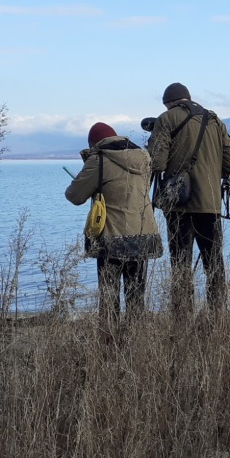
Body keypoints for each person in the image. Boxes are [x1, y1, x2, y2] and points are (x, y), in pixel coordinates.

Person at [148, 83, 230, 316]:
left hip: (179, 204)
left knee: (180, 263)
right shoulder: (215, 121)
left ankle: (182, 316)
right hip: (210, 203)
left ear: (169, 103)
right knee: (214, 262)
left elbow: (157, 163)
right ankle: (217, 314)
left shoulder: (167, 119)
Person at [65, 122, 163, 332]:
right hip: (143, 234)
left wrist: (90, 163)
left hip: (113, 237)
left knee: (109, 297)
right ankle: (136, 339)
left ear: (94, 143)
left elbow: (74, 195)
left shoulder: (99, 160)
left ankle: (109, 340)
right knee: (136, 295)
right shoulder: (144, 157)